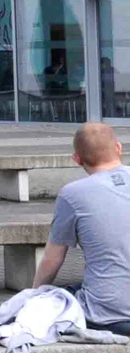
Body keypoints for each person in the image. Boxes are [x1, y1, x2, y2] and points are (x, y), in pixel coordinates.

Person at [32, 123, 130, 336]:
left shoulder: (72, 194)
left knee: (62, 296)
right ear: (119, 148)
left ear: (76, 159)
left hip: (108, 315)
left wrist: (33, 296)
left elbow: (53, 260)